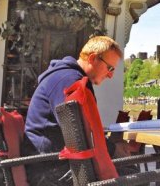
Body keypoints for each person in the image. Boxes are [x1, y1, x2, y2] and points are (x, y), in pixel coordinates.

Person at [22, 35, 125, 186]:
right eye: (109, 68)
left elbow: (82, 131)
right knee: (130, 172)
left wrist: (110, 147)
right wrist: (114, 149)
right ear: (92, 58)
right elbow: (79, 134)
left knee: (123, 166)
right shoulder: (70, 81)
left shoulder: (67, 76)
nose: (111, 75)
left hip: (50, 163)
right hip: (49, 169)